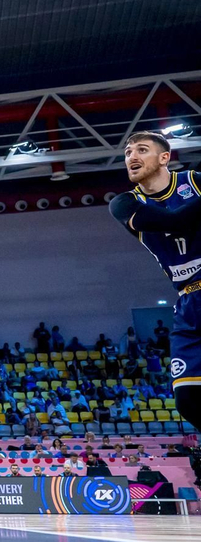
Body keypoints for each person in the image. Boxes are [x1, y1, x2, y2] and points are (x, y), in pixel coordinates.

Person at [108, 131, 201, 437]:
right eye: (127, 153)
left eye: (142, 150)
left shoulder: (194, 182)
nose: (131, 157)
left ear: (164, 158)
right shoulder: (124, 203)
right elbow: (173, 223)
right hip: (188, 301)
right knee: (188, 400)